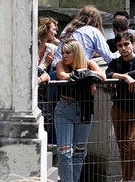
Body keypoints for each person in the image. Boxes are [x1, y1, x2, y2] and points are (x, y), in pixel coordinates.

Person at [54, 38, 105, 182]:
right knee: (64, 151)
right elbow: (62, 76)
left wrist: (84, 75)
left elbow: (103, 76)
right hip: (65, 108)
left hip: (84, 109)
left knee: (80, 151)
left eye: (68, 52)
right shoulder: (60, 64)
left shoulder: (90, 63)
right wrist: (86, 76)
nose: (64, 56)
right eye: (63, 52)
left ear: (76, 53)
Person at [106, 32, 135, 181]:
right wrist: (125, 77)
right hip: (118, 110)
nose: (123, 48)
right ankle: (126, 178)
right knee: (123, 149)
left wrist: (123, 76)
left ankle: (127, 179)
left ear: (133, 44)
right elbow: (108, 73)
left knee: (133, 148)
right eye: (120, 46)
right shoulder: (115, 62)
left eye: (126, 44)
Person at [37, 16, 59, 144]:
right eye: (53, 29)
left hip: (44, 93)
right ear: (45, 29)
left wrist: (58, 43)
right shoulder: (33, 45)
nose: (55, 32)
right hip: (34, 90)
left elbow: (68, 48)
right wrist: (45, 65)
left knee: (47, 120)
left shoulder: (51, 48)